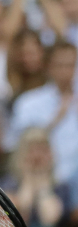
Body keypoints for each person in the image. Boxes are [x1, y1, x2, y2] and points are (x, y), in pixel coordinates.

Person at [5, 42, 78, 182]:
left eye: (71, 65)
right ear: (48, 67)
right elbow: (18, 147)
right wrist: (56, 119)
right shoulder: (28, 103)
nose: (66, 71)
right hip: (43, 179)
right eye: (60, 65)